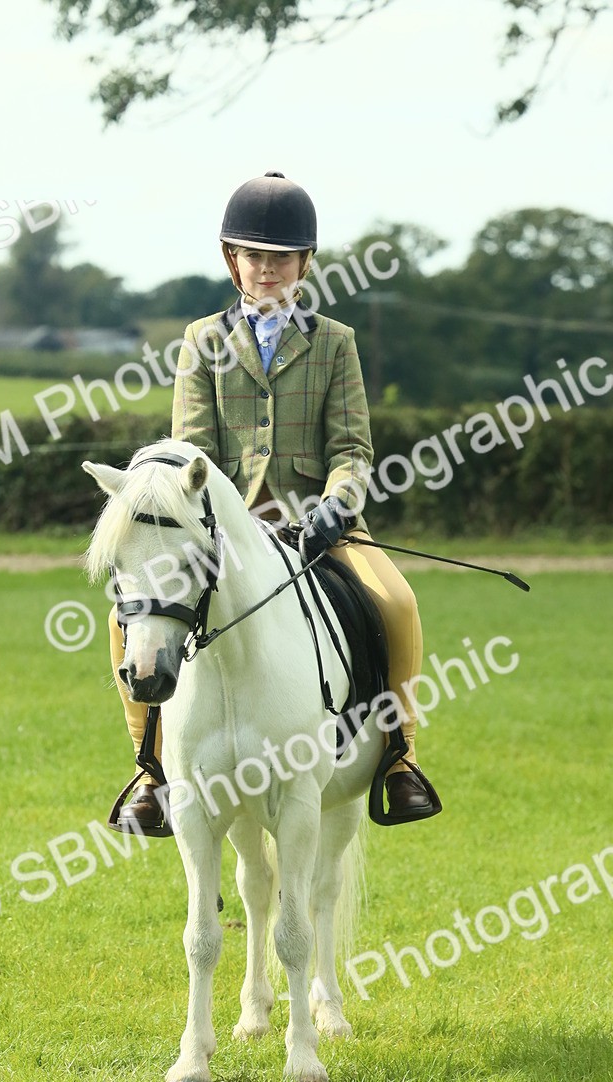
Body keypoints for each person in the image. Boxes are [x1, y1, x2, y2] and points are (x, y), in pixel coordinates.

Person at [108, 170, 440, 835]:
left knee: (398, 603)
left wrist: (336, 505)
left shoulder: (335, 342)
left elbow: (352, 449)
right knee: (126, 617)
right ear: (232, 259)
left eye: (281, 258)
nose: (267, 269)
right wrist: (219, 518)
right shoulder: (202, 341)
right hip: (223, 535)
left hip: (322, 527)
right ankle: (151, 767)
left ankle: (398, 756)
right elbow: (192, 453)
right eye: (254, 256)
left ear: (305, 263)